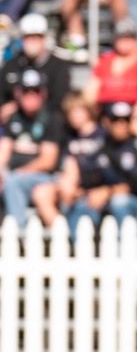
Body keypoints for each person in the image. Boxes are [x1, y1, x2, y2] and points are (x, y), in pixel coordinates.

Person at [1, 68, 66, 225]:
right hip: (14, 175)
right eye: (26, 91)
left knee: (13, 182)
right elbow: (4, 148)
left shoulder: (51, 119)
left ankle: (19, 232)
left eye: (35, 91)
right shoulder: (14, 118)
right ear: (18, 93)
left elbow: (47, 161)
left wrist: (15, 173)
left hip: (46, 177)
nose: (30, 96)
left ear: (43, 93)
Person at [3, 13, 72, 114]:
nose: (32, 41)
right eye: (28, 37)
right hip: (16, 121)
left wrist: (36, 107)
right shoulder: (11, 65)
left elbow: (61, 101)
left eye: (36, 37)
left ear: (44, 39)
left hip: (48, 122)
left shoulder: (58, 67)